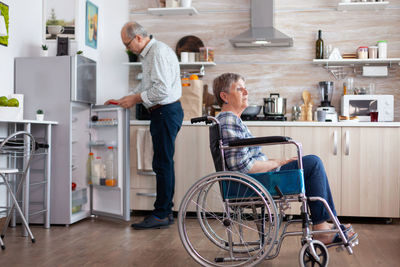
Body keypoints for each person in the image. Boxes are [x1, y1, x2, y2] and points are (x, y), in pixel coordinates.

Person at [212, 73, 356, 245]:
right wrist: (275, 163)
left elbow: (244, 160)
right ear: (224, 96)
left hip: (256, 180)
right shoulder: (229, 120)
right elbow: (243, 166)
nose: (246, 92)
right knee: (313, 164)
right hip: (252, 183)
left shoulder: (231, 120)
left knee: (309, 164)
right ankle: (322, 228)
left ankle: (326, 225)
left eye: (245, 88)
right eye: (239, 88)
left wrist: (277, 161)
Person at [105, 22, 184, 230]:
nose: (127, 48)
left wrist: (135, 99)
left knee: (163, 163)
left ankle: (161, 214)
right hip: (162, 112)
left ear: (139, 38)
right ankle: (164, 212)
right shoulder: (149, 54)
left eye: (127, 43)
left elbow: (162, 90)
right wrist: (127, 98)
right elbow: (148, 85)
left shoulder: (157, 52)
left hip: (166, 111)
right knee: (162, 163)